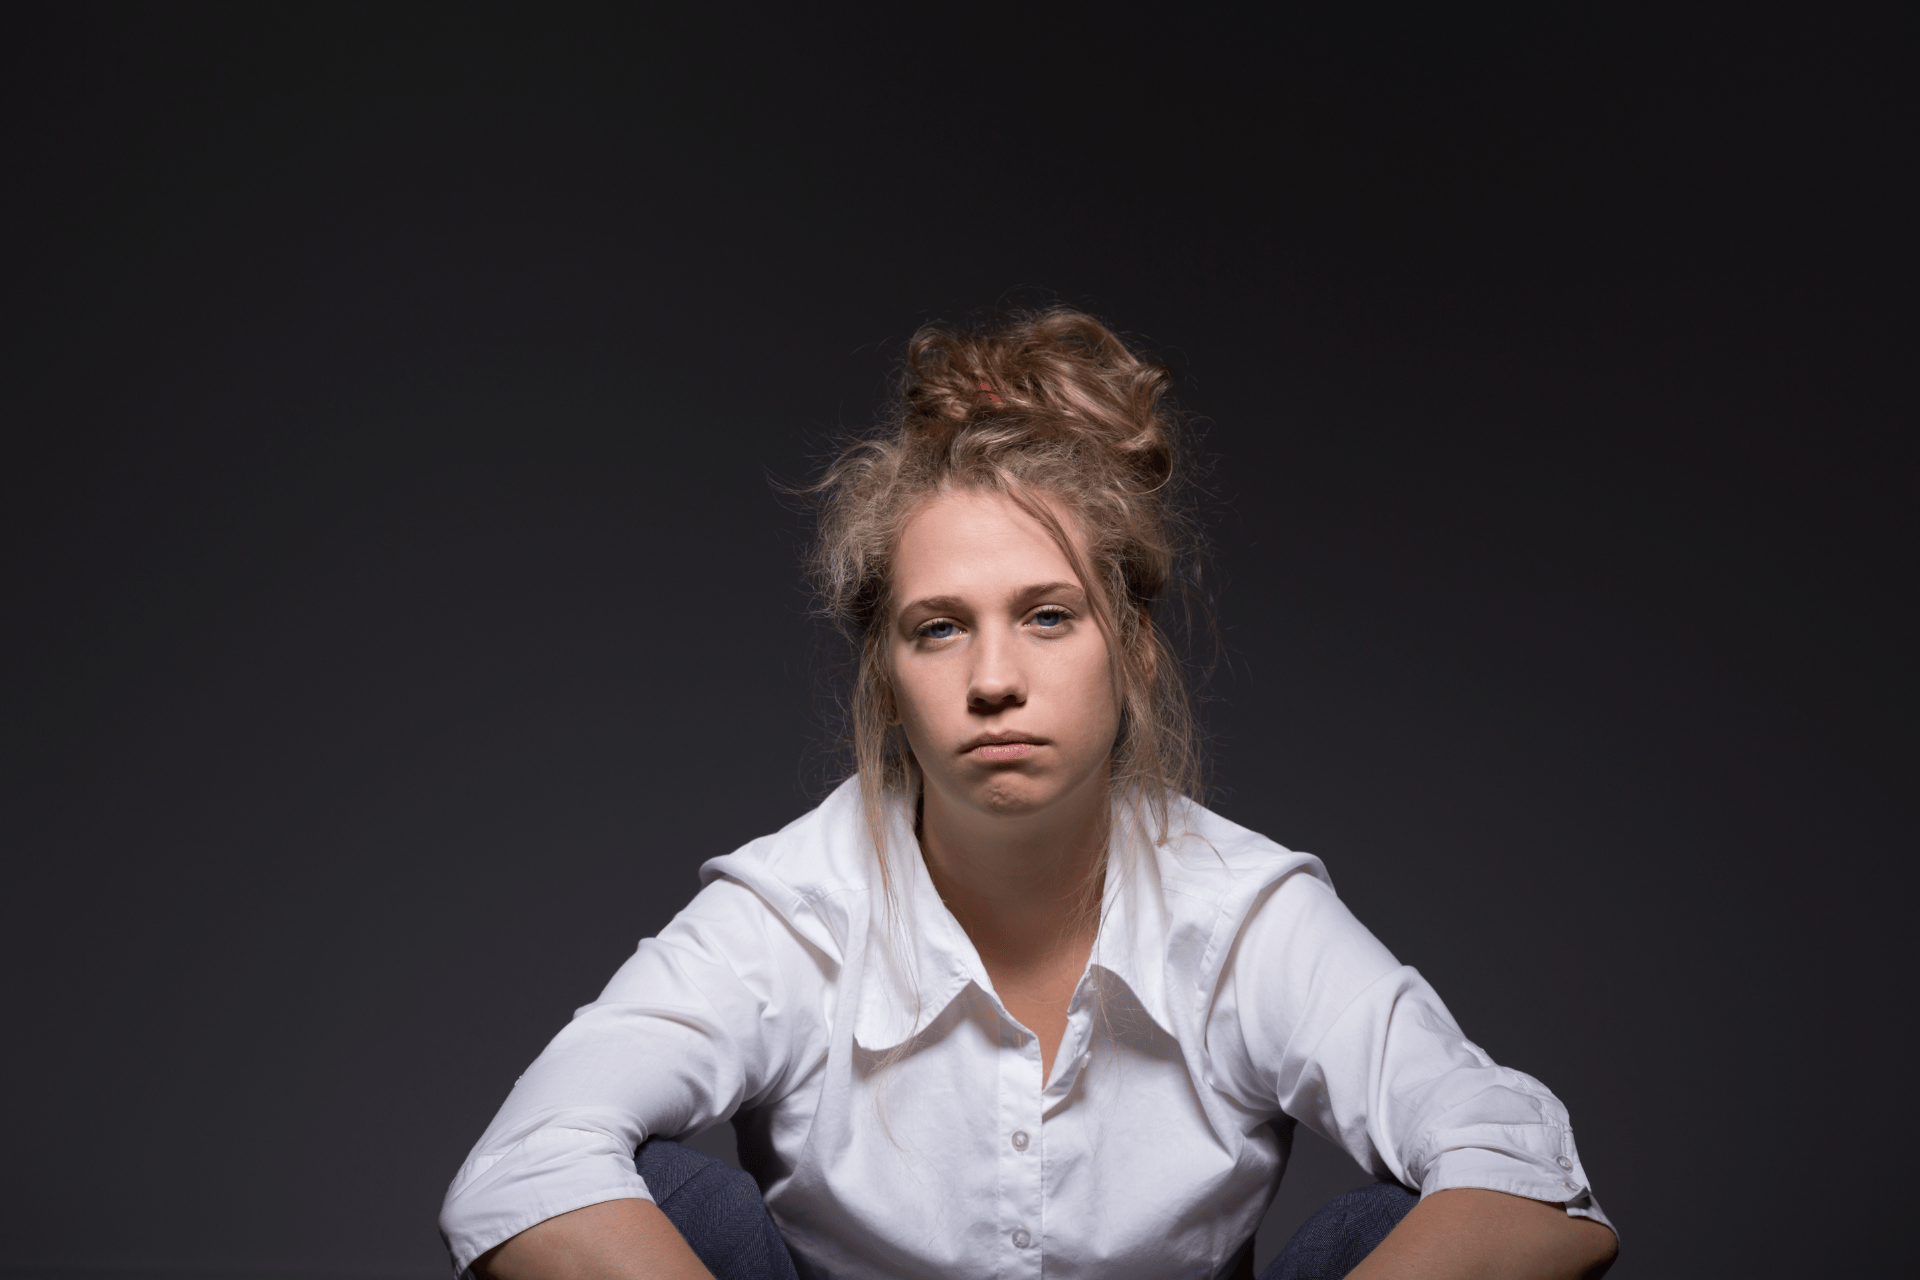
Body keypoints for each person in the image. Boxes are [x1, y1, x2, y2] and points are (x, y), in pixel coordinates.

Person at [438, 308, 1619, 1280]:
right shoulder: (792, 913)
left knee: (1402, 1222)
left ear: (1133, 647)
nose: (994, 678)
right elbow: (522, 1165)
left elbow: (1535, 1187)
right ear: (886, 678)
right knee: (660, 1197)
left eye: (1048, 616)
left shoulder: (1243, 913)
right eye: (939, 628)